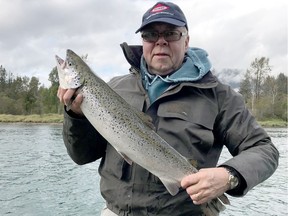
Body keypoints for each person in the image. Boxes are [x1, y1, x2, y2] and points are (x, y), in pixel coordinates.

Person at [57, 2, 279, 215]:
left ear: (186, 40)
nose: (160, 41)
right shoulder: (112, 89)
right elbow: (81, 156)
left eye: (171, 33)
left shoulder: (219, 95)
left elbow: (265, 150)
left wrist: (229, 175)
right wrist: (76, 116)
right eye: (151, 34)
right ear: (143, 41)